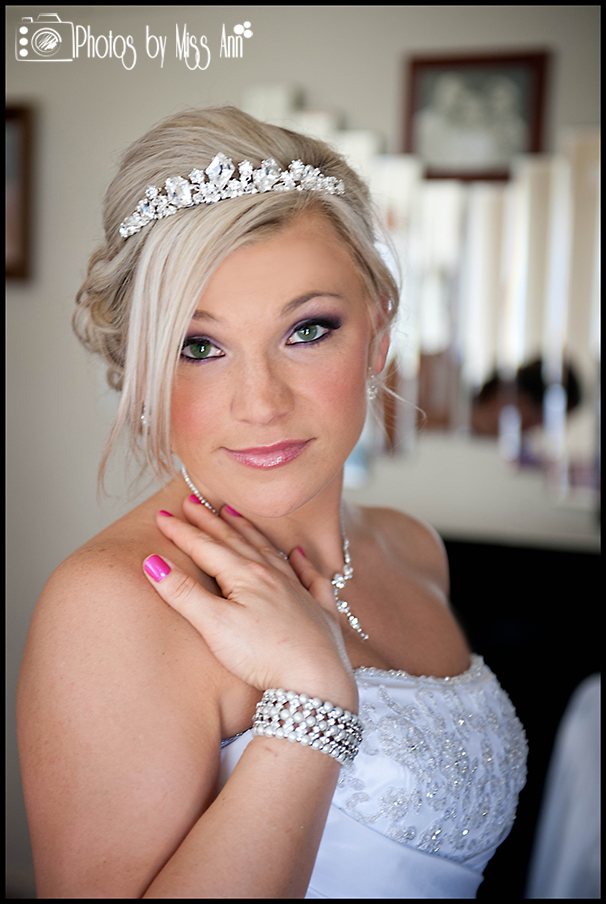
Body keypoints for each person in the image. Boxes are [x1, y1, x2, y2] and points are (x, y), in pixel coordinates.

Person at [16, 106, 527, 898]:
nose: (260, 403)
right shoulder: (114, 606)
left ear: (379, 332)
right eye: (199, 347)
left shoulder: (411, 548)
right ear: (144, 368)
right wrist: (313, 701)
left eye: (307, 331)